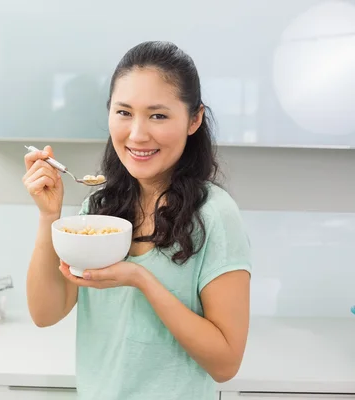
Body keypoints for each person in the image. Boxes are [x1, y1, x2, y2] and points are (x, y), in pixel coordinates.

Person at [22, 41, 252, 400]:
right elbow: (45, 313)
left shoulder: (214, 215)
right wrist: (49, 215)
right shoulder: (100, 208)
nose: (137, 134)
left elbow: (225, 364)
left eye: (158, 115)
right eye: (124, 112)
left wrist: (140, 279)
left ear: (194, 120)